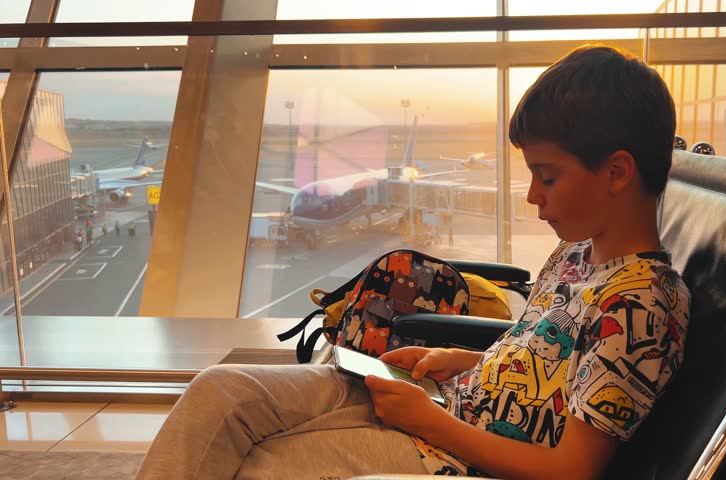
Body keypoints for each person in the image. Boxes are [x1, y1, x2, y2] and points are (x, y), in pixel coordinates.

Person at [135, 44, 690, 480]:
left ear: (617, 172)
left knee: (253, 465)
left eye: (547, 177)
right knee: (222, 391)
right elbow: (544, 357)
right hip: (440, 405)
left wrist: (432, 422)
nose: (532, 196)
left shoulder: (641, 306)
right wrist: (464, 358)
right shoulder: (576, 254)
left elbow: (572, 469)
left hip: (453, 455)